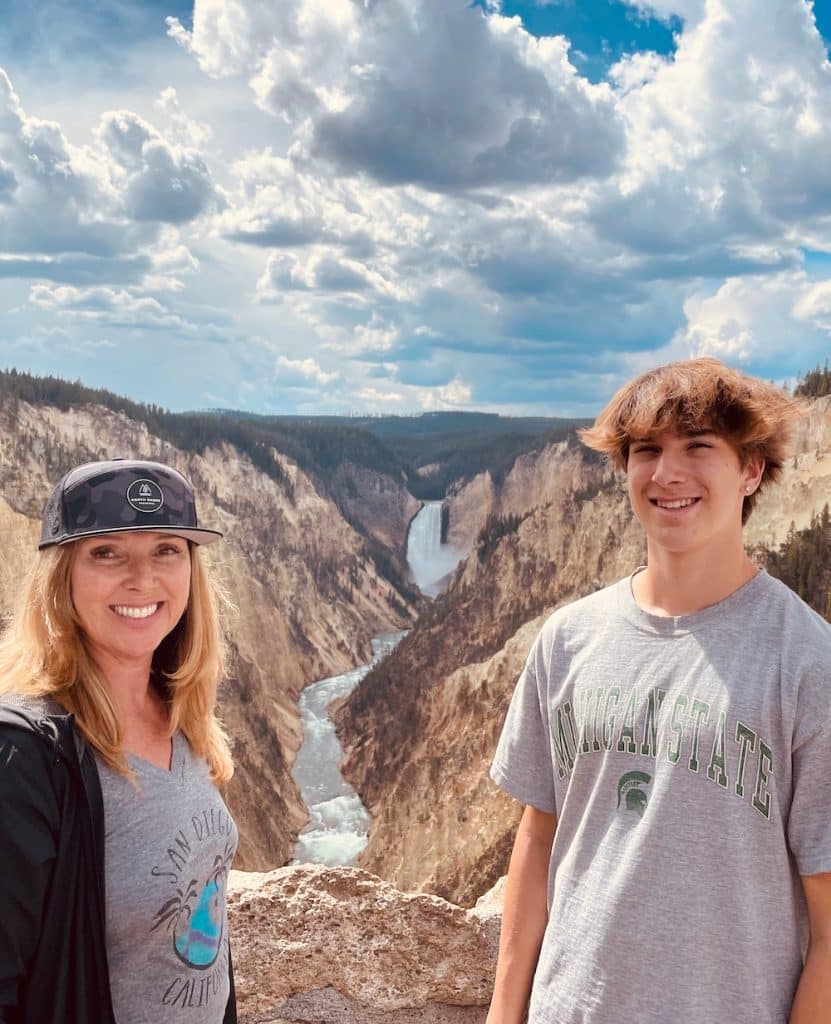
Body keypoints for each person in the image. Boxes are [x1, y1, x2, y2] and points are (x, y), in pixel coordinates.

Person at [487, 358, 831, 1024]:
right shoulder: (567, 641)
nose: (666, 473)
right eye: (646, 450)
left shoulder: (809, 665)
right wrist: (504, 1012)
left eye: (698, 447)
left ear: (751, 470)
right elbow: (538, 837)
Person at [0, 458, 238, 1024]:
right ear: (62, 577)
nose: (142, 578)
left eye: (166, 550)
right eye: (106, 552)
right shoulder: (25, 758)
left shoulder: (180, 713)